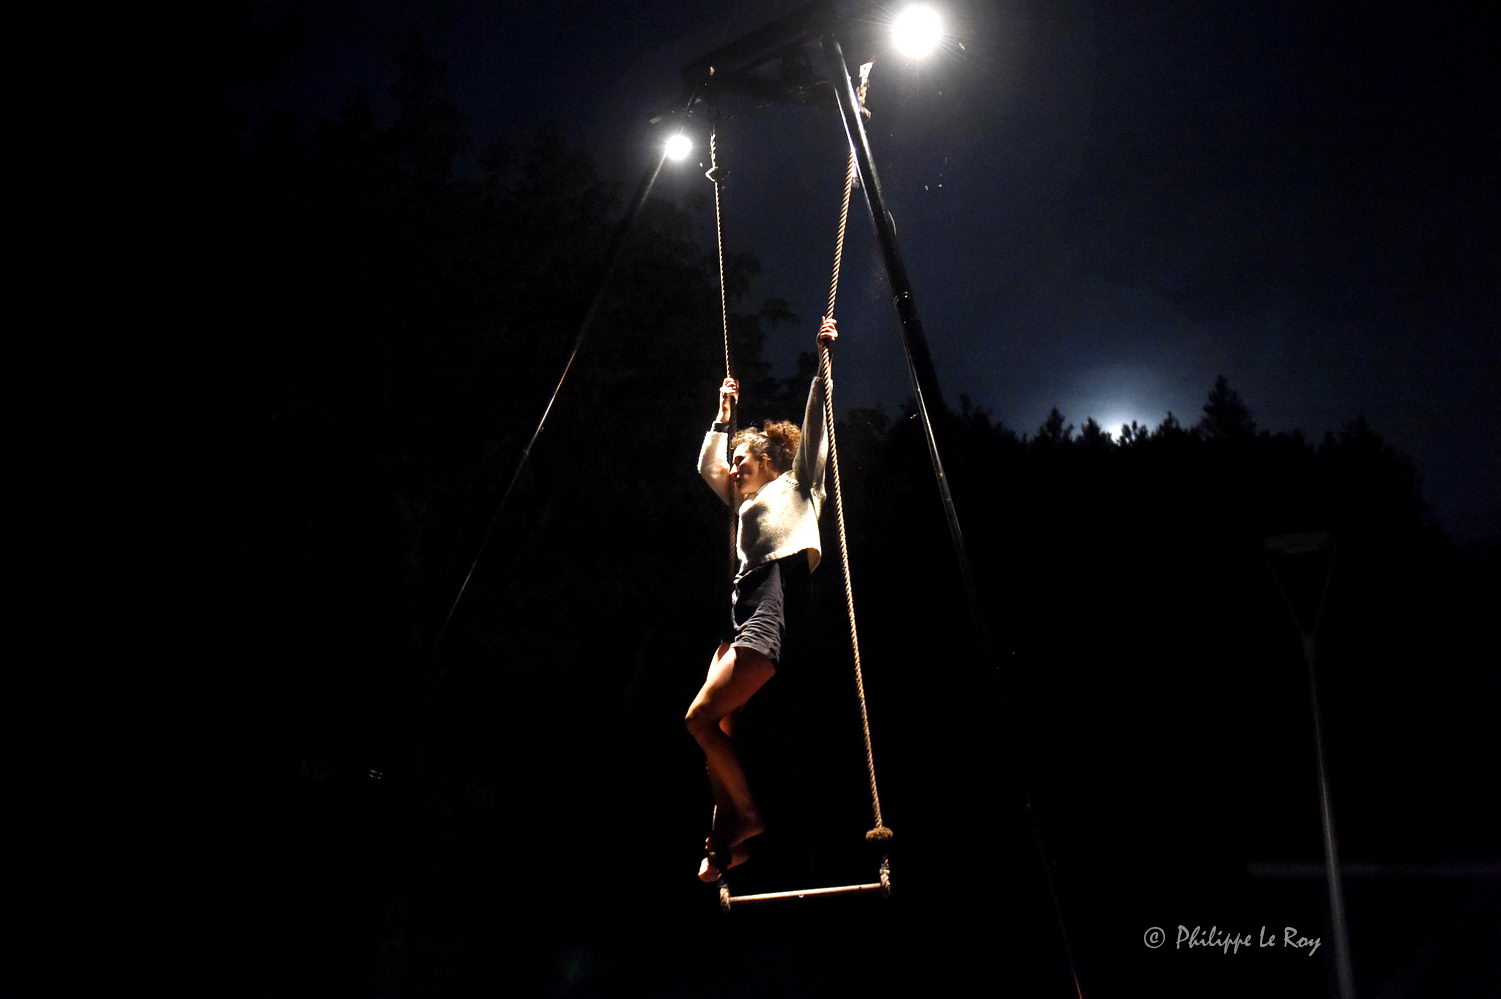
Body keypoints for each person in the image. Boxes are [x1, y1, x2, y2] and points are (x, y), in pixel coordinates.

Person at [686, 316, 838, 882]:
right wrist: (723, 420)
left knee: (699, 720)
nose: (734, 468)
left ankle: (746, 816)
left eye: (743, 460)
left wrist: (822, 365)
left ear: (767, 463)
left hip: (767, 609)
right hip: (738, 613)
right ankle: (731, 839)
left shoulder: (796, 488)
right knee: (718, 731)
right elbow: (708, 465)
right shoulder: (740, 501)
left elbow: (817, 433)